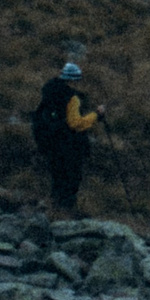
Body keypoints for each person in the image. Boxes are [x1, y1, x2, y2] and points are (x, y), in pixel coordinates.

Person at [30, 62, 103, 213]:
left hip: (50, 144)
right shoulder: (72, 98)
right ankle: (66, 212)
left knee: (57, 178)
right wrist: (96, 115)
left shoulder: (49, 92)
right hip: (68, 146)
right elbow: (75, 123)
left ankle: (54, 211)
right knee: (70, 180)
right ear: (73, 80)